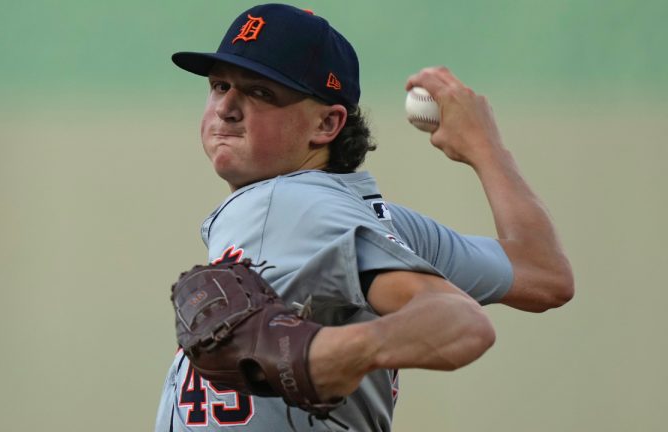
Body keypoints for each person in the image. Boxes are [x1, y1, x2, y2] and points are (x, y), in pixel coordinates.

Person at [155, 4, 574, 431]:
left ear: (327, 123)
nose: (226, 107)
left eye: (261, 92)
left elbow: (460, 322)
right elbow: (542, 272)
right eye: (220, 85)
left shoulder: (288, 203)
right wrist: (487, 150)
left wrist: (328, 354)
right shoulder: (384, 221)